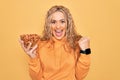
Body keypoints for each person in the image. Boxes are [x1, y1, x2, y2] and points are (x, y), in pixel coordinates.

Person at [19, 5, 91, 80]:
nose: (58, 26)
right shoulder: (40, 45)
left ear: (68, 24)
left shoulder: (76, 43)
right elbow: (36, 78)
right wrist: (32, 57)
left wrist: (85, 52)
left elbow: (80, 76)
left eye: (62, 21)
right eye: (53, 22)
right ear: (48, 25)